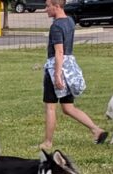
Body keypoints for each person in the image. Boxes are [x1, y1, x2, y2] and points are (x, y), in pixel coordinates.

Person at [40, 0, 107, 151]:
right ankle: (96, 130)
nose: (45, 9)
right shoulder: (70, 21)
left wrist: (57, 75)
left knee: (50, 107)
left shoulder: (56, 26)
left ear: (56, 6)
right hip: (70, 68)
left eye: (48, 6)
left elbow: (59, 51)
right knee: (68, 107)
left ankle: (48, 142)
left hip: (56, 68)